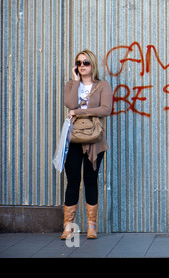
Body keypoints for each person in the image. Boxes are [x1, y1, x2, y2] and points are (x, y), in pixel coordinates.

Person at [61, 49, 112, 240]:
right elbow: (70, 103)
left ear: (93, 65)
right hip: (74, 139)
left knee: (91, 181)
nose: (82, 66)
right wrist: (75, 81)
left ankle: (91, 227)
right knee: (72, 181)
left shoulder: (103, 86)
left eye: (86, 63)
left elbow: (106, 109)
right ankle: (69, 227)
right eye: (79, 63)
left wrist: (79, 112)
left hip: (95, 141)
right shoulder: (70, 85)